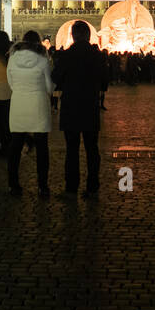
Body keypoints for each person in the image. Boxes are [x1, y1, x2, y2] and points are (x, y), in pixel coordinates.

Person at [53, 20, 107, 198]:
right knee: (92, 149)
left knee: (72, 150)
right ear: (88, 35)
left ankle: (71, 188)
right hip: (90, 107)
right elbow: (106, 81)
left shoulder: (66, 55)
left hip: (71, 108)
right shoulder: (97, 56)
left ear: (73, 36)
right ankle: (93, 187)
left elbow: (56, 78)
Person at [6, 30, 53, 197]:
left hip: (18, 104)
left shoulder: (12, 58)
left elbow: (10, 82)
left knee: (15, 146)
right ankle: (42, 186)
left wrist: (20, 90)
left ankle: (13, 184)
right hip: (38, 104)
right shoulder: (43, 58)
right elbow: (48, 86)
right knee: (42, 148)